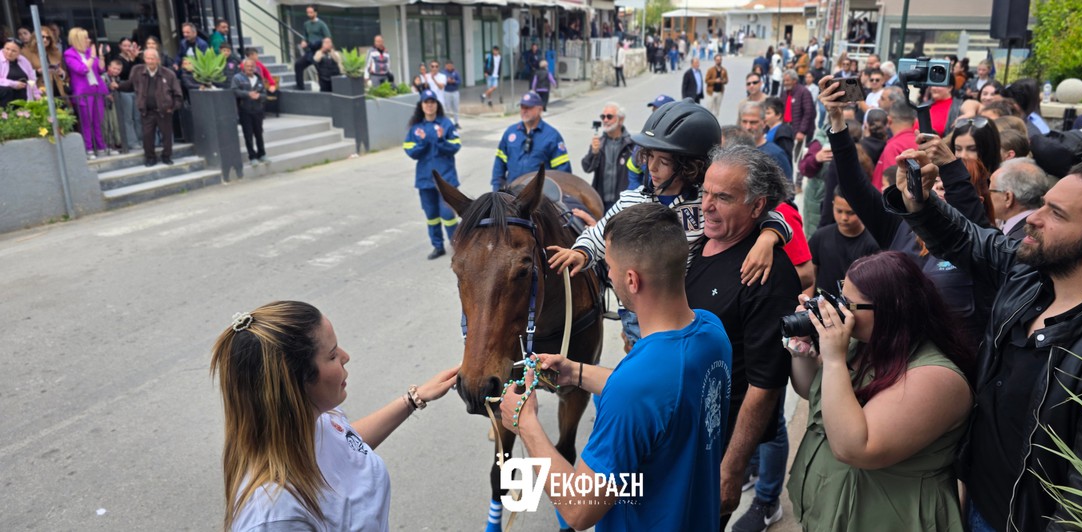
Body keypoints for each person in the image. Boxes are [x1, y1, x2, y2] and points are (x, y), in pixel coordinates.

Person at [887, 151, 1082, 531]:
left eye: (1056, 214)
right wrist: (920, 202)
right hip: (976, 498)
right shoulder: (1032, 273)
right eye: (1043, 203)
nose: (1033, 218)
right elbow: (966, 240)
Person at [501, 203, 733, 531]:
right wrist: (575, 372)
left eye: (608, 266)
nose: (607, 274)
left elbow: (579, 510)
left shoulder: (636, 389)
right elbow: (662, 399)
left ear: (632, 280)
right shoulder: (712, 331)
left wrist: (525, 422)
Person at [548, 101, 793, 352]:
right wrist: (581, 252)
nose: (652, 167)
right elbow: (599, 233)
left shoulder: (706, 202)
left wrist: (768, 238)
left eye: (663, 161)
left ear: (690, 167)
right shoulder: (633, 200)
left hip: (683, 309)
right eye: (649, 157)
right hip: (638, 313)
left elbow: (772, 216)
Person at [211, 301, 459, 530]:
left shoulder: (316, 420)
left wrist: (413, 399)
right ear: (295, 384)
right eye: (331, 355)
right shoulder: (275, 516)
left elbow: (347, 446)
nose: (345, 356)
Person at [786, 250, 975, 530]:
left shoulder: (936, 377)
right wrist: (803, 348)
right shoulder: (864, 343)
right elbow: (812, 392)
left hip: (889, 518)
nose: (839, 311)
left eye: (849, 304)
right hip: (833, 509)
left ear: (891, 309)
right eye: (840, 297)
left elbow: (854, 448)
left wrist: (834, 359)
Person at [820, 75, 993, 344]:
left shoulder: (982, 245)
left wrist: (949, 163)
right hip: (897, 352)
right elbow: (854, 186)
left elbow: (968, 218)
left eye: (951, 185)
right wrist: (837, 121)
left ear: (976, 199)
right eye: (937, 182)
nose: (941, 188)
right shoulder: (901, 227)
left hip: (953, 359)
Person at [685, 144, 799, 528]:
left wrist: (732, 469)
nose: (706, 206)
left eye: (723, 197)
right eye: (705, 192)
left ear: (756, 206)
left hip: (715, 442)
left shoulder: (766, 274)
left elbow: (765, 385)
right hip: (680, 429)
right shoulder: (699, 241)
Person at [403, 90, 461, 259]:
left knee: (448, 215)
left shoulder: (446, 124)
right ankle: (437, 246)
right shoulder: (416, 128)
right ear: (421, 106)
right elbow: (410, 151)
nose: (429, 105)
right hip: (425, 180)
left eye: (432, 102)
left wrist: (441, 140)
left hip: (446, 180)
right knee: (432, 216)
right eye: (426, 102)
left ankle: (458, 247)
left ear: (437, 104)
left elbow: (455, 146)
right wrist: (422, 142)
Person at [490, 92, 571, 190]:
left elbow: (563, 172)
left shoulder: (552, 136)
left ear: (540, 109)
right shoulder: (510, 132)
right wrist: (496, 189)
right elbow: (499, 164)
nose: (524, 111)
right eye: (522, 107)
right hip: (512, 193)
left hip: (540, 195)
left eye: (528, 107)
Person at [807, 188, 880, 296]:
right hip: (822, 302)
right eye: (839, 211)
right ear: (833, 205)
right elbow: (810, 276)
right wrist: (807, 303)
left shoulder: (873, 243)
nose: (844, 218)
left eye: (851, 213)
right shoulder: (820, 237)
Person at [119, 49, 182, 166]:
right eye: (147, 58)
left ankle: (166, 156)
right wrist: (117, 86)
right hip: (147, 111)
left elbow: (178, 94)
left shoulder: (168, 74)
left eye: (152, 58)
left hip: (164, 111)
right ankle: (150, 158)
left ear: (158, 60)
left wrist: (172, 107)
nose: (149, 61)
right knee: (147, 136)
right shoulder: (138, 71)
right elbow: (130, 85)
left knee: (167, 136)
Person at [63, 27, 109, 160]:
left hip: (96, 90)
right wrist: (93, 57)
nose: (89, 40)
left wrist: (101, 56)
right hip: (83, 92)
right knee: (86, 122)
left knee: (98, 120)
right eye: (86, 38)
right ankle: (88, 148)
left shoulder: (90, 52)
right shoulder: (69, 54)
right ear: (78, 40)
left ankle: (101, 146)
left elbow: (100, 69)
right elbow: (82, 69)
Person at [582, 102, 634, 210]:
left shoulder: (631, 145)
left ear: (621, 120)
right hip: (600, 203)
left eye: (609, 116)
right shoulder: (599, 143)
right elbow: (587, 168)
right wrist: (594, 153)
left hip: (622, 204)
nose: (605, 120)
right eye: (603, 117)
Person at [988, 159, 1053, 239]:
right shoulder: (1045, 226)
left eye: (990, 191)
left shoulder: (1019, 240)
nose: (986, 197)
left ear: (1008, 197)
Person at [871, 97, 918, 189]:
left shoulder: (893, 147)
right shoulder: (920, 142)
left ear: (889, 120)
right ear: (914, 121)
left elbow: (890, 182)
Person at [738, 101, 792, 179]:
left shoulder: (775, 154)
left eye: (753, 122)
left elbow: (787, 184)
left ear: (764, 123)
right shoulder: (735, 149)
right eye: (744, 122)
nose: (748, 127)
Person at [232, 58, 268, 166]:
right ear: (243, 67)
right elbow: (234, 91)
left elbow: (265, 94)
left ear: (255, 67)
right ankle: (252, 156)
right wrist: (248, 94)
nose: (250, 68)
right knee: (248, 134)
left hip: (258, 110)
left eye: (252, 66)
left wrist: (259, 96)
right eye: (247, 66)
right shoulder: (237, 78)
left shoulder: (259, 78)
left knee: (259, 133)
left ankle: (262, 154)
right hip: (245, 110)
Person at [293, 5, 331, 91]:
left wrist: (323, 49)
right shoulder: (306, 24)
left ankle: (325, 89)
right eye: (307, 12)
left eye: (311, 12)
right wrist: (303, 41)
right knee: (298, 64)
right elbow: (305, 36)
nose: (309, 14)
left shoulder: (322, 24)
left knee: (322, 71)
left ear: (315, 13)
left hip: (320, 50)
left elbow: (328, 38)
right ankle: (300, 87)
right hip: (310, 51)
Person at [0, 39, 40, 108]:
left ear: (19, 52)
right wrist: (13, 84)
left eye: (14, 51)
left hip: (22, 96)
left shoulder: (23, 60)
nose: (9, 52)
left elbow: (31, 79)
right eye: (7, 49)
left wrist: (36, 94)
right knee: (6, 90)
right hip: (4, 96)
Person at [782, 69, 815, 146]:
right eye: (784, 81)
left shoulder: (804, 92)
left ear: (794, 81)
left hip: (800, 132)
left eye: (787, 80)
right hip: (787, 128)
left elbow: (808, 113)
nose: (785, 83)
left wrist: (802, 131)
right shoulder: (785, 93)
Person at [100, 59, 124, 153]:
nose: (116, 71)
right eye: (114, 68)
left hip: (113, 103)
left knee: (115, 123)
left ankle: (117, 142)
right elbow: (99, 89)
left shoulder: (117, 78)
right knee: (107, 124)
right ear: (109, 67)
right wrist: (108, 89)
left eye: (118, 69)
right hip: (104, 104)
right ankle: (108, 144)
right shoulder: (103, 77)